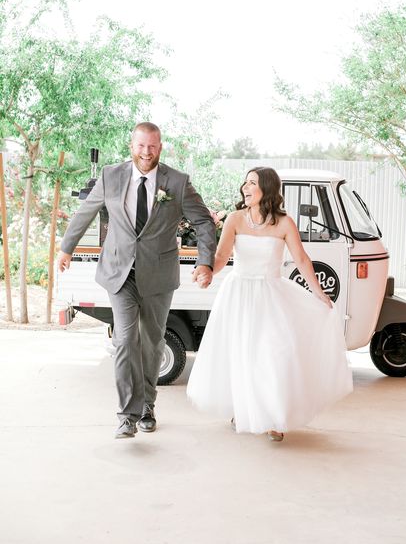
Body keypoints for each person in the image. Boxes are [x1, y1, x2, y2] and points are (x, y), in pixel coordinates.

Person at [58, 122, 216, 439]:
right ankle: (127, 414)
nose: (146, 152)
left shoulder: (177, 182)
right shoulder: (111, 176)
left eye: (153, 146)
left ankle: (147, 407)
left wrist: (205, 261)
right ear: (132, 145)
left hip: (158, 275)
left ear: (160, 147)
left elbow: (203, 222)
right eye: (141, 145)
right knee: (125, 341)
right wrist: (66, 249)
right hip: (119, 273)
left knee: (152, 343)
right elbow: (85, 213)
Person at [187, 166, 352, 441]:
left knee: (276, 352)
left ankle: (275, 416)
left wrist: (319, 293)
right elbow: (221, 256)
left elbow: (302, 260)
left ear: (267, 189)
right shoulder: (235, 220)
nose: (245, 187)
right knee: (242, 353)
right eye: (245, 182)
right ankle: (242, 409)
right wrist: (207, 272)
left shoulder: (285, 223)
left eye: (252, 183)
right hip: (239, 294)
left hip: (271, 294)